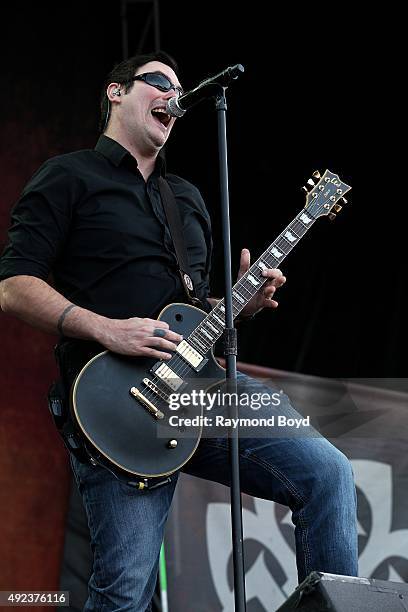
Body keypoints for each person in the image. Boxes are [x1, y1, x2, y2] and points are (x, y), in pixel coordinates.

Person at [0, 51, 358, 611]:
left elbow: (191, 313)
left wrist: (242, 302)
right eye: (161, 83)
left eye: (181, 90)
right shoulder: (68, 176)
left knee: (328, 473)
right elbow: (14, 285)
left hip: (204, 390)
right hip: (117, 405)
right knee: (125, 594)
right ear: (116, 92)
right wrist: (107, 330)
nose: (175, 96)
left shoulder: (186, 197)